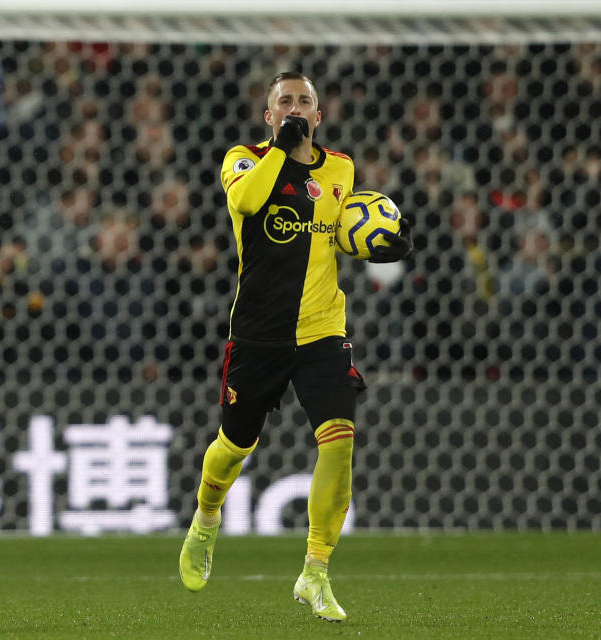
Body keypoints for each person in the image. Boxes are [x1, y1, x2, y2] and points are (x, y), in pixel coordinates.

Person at [177, 72, 410, 622]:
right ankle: (205, 521)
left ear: (320, 114)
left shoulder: (342, 169)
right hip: (258, 333)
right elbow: (251, 202)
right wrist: (281, 151)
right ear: (269, 116)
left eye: (305, 100)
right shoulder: (243, 160)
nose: (296, 107)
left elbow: (341, 231)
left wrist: (378, 247)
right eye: (285, 101)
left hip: (322, 331)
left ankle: (316, 571)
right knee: (233, 447)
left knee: (338, 441)